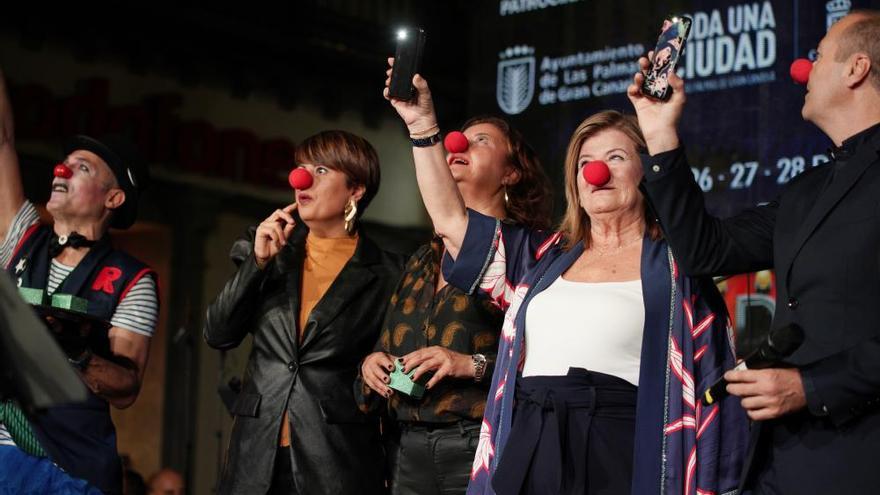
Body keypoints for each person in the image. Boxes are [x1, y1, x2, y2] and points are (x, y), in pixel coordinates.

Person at [386, 68, 747, 494]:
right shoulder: (542, 256)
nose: (597, 172)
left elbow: (712, 381)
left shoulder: (678, 265)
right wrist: (421, 126)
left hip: (624, 447)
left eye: (616, 158)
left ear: (645, 172)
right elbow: (450, 221)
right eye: (585, 163)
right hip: (534, 439)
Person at [627, 9, 880, 494]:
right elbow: (706, 250)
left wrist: (812, 387)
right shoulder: (808, 189)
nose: (803, 68)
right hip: (781, 462)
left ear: (857, 68)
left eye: (819, 55)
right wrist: (659, 132)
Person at [357, 104, 553, 493]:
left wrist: (469, 364)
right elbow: (388, 340)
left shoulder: (529, 253)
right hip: (405, 448)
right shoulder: (421, 258)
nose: (459, 143)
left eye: (482, 141)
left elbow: (547, 355)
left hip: (478, 442)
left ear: (511, 173)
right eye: (464, 136)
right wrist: (371, 363)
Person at [204, 130, 405, 494]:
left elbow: (389, 369)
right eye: (300, 167)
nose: (302, 179)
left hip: (336, 460)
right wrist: (257, 263)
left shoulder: (390, 273)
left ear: (356, 189)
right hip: (255, 456)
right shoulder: (267, 249)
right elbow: (218, 333)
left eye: (322, 170)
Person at [0, 68, 157, 494]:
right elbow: (3, 140)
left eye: (81, 167)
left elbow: (126, 388)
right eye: (64, 163)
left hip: (64, 468)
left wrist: (76, 353)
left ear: (114, 198)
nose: (61, 171)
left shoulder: (132, 280)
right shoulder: (22, 238)